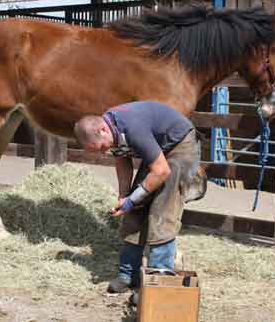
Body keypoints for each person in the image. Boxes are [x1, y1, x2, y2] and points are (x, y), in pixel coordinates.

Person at [73, 101, 206, 293]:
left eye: (101, 147)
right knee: (135, 210)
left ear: (102, 129)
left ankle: (157, 282)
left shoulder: (132, 128)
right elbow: (122, 159)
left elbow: (161, 171)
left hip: (180, 145)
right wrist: (124, 196)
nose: (103, 153)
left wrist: (132, 199)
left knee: (162, 210)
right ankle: (128, 275)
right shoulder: (111, 127)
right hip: (159, 148)